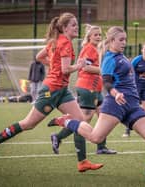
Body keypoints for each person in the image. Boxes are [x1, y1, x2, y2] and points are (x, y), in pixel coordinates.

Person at [48, 26, 145, 182]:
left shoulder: (122, 56)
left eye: (125, 39)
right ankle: (65, 121)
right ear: (112, 41)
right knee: (95, 138)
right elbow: (106, 82)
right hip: (115, 104)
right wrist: (116, 93)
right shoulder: (109, 58)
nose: (124, 43)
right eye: (121, 39)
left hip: (133, 106)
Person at [0, 12, 103, 172]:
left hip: (62, 90)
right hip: (52, 90)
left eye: (76, 24)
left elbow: (40, 57)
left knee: (80, 121)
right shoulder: (65, 43)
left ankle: (82, 162)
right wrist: (79, 66)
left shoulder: (57, 41)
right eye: (73, 25)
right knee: (28, 124)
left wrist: (54, 66)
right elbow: (66, 69)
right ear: (64, 28)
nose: (76, 28)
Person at [50, 24, 117, 155]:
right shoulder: (89, 49)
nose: (98, 37)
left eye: (99, 35)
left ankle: (101, 147)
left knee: (104, 116)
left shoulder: (95, 49)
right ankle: (58, 137)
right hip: (88, 88)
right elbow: (85, 68)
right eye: (95, 35)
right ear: (89, 37)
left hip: (95, 89)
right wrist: (105, 71)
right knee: (84, 119)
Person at [122, 42, 145, 137]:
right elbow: (129, 71)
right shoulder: (136, 60)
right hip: (136, 85)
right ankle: (128, 129)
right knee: (133, 106)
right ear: (142, 50)